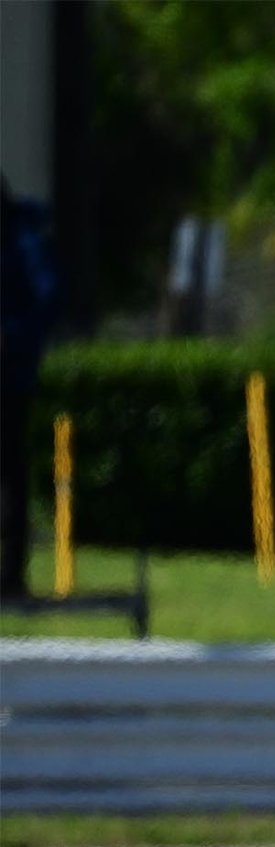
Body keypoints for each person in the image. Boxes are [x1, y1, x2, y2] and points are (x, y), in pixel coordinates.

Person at [1, 173, 61, 603]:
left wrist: (9, 337)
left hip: (9, 375)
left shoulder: (23, 239)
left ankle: (11, 573)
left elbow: (46, 300)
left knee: (9, 469)